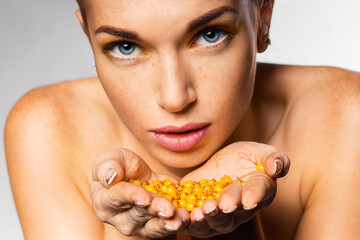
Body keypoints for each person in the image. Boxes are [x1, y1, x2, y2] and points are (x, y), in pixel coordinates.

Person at [4, 0, 360, 239]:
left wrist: (234, 226)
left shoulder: (346, 117)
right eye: (125, 47)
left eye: (210, 34)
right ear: (88, 35)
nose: (174, 98)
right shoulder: (47, 129)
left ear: (262, 16)